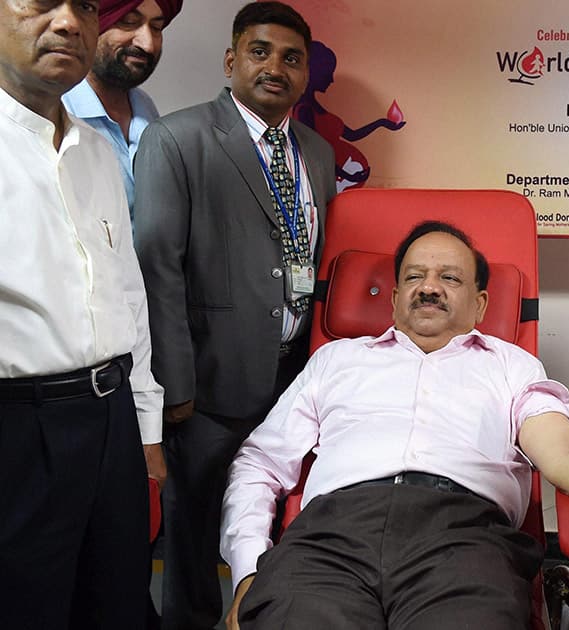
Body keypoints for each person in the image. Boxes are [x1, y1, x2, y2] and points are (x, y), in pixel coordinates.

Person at [220, 221, 569, 629]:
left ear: (482, 303)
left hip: (461, 541)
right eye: (413, 276)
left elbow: (567, 457)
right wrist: (248, 567)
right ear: (392, 299)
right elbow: (261, 462)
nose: (428, 286)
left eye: (449, 277)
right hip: (330, 538)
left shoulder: (511, 367)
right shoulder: (337, 360)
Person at [132, 2, 337, 628]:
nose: (275, 67)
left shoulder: (318, 153)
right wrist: (175, 387)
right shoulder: (180, 138)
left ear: (305, 74)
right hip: (208, 384)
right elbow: (156, 267)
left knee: (274, 521)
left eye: (291, 58)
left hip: (292, 376)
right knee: (192, 533)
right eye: (260, 51)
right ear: (231, 59)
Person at [0, 1, 164, 628]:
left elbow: (128, 292)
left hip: (112, 420)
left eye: (87, 6)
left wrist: (146, 427)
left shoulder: (97, 151)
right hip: (21, 429)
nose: (69, 22)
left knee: (118, 600)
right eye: (43, 1)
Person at [62, 0, 183, 219]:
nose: (147, 44)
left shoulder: (144, 106)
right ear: (92, 24)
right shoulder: (56, 109)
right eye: (128, 22)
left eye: (156, 28)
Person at [292, 40, 405, 193]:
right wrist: (347, 175)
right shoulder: (304, 109)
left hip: (342, 178)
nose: (331, 79)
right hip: (330, 180)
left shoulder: (313, 106)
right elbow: (313, 154)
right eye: (328, 73)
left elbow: (352, 135)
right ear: (314, 71)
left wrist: (382, 123)